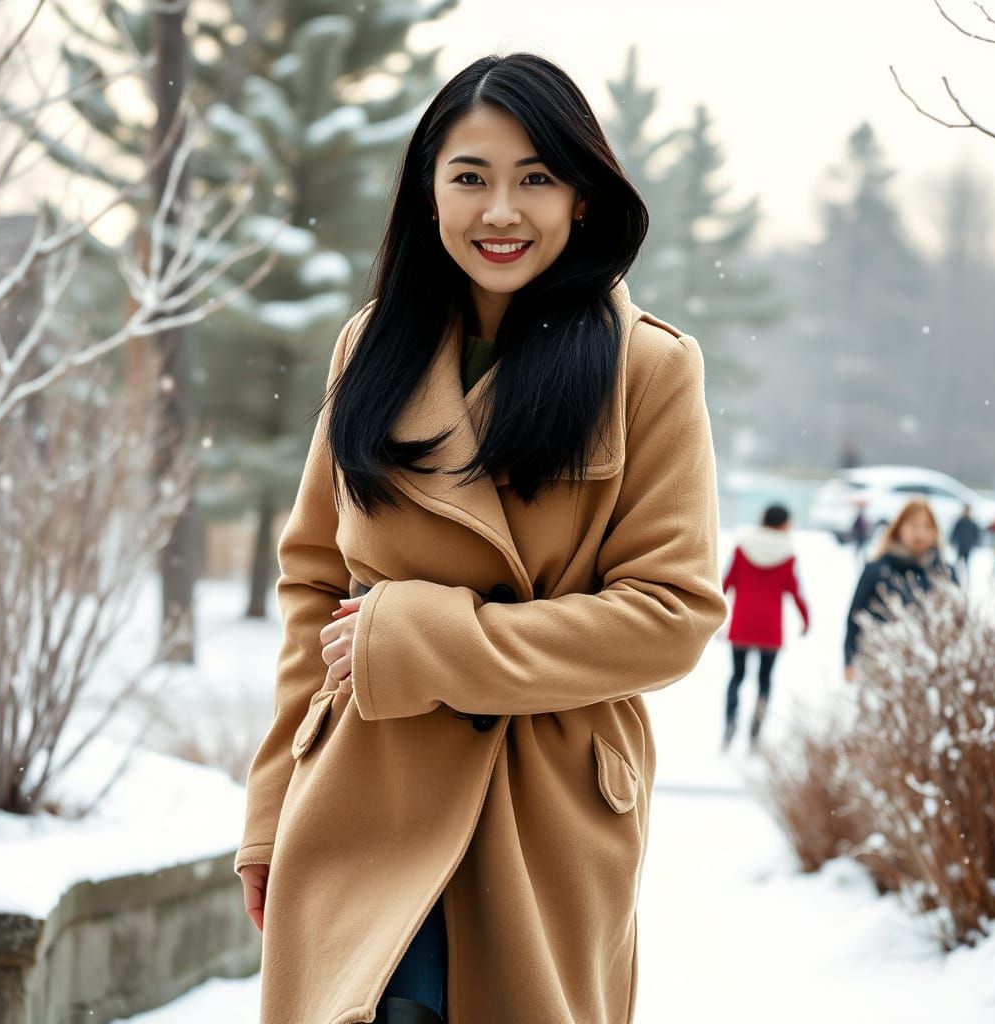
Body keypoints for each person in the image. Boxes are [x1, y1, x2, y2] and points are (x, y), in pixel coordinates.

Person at [234, 53, 727, 1024]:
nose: (500, 210)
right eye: (470, 178)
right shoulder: (370, 345)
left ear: (582, 198)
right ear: (428, 195)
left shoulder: (648, 368)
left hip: (543, 799)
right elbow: (311, 579)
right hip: (364, 783)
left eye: (535, 178)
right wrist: (267, 811)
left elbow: (668, 617)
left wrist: (429, 640)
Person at [721, 504, 810, 751]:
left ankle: (729, 724)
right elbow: (795, 590)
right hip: (769, 629)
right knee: (764, 681)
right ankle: (755, 731)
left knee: (736, 678)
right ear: (783, 524)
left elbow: (726, 583)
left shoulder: (742, 547)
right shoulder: (787, 554)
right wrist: (805, 618)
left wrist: (714, 614)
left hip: (742, 625)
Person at [844, 497, 956, 681]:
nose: (920, 533)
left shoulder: (945, 573)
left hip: (933, 674)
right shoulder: (877, 569)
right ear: (899, 529)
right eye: (913, 525)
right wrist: (849, 660)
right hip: (881, 668)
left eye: (927, 526)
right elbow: (856, 616)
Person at [949, 504, 982, 585]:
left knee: (967, 565)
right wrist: (952, 541)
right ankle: (954, 580)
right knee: (957, 565)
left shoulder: (973, 524)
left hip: (968, 548)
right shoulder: (960, 522)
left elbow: (977, 535)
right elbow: (954, 533)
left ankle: (967, 582)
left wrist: (974, 543)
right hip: (960, 547)